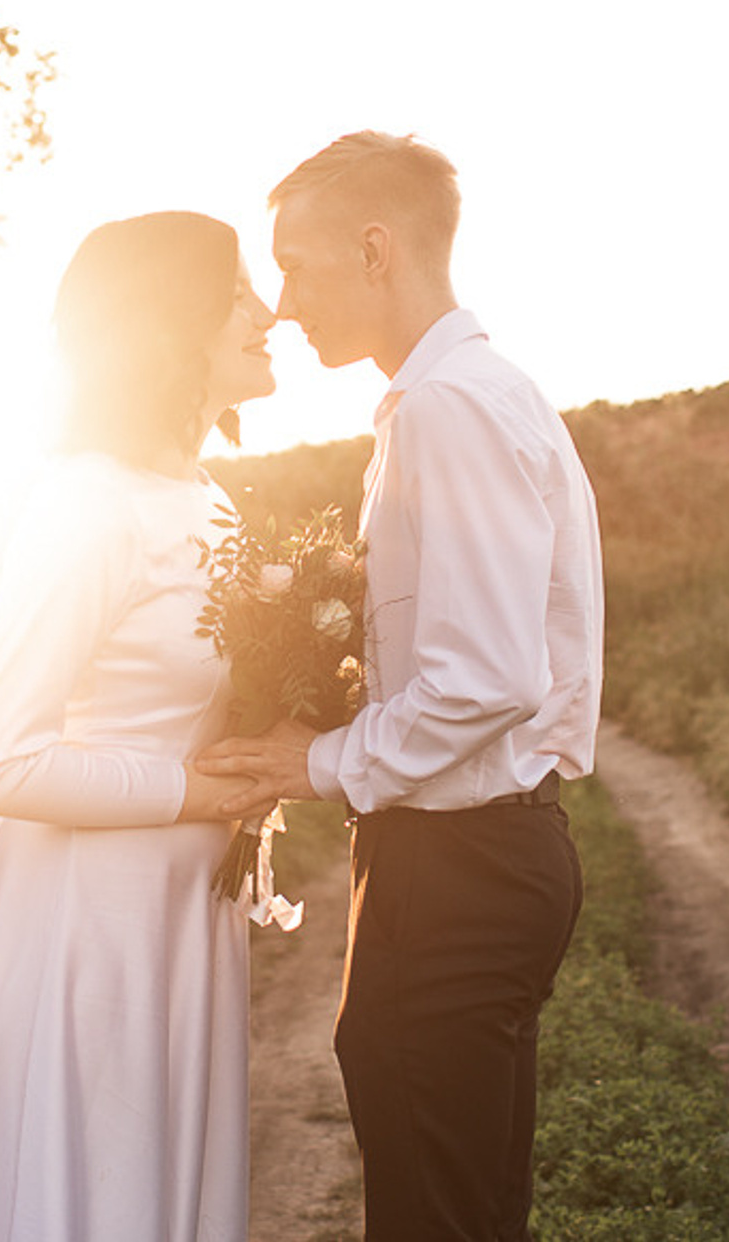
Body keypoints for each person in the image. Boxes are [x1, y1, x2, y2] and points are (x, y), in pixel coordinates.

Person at [198, 132, 604, 1242]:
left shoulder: (448, 409)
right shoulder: (476, 394)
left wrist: (312, 761)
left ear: (375, 250)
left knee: (435, 1216)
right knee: (464, 1209)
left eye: (295, 265)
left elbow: (484, 678)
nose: (280, 304)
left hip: (459, 866)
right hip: (478, 856)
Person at [0, 211, 278, 1242]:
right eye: (236, 294)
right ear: (167, 324)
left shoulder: (208, 501)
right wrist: (195, 793)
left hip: (185, 916)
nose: (266, 313)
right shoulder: (85, 505)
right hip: (86, 929)